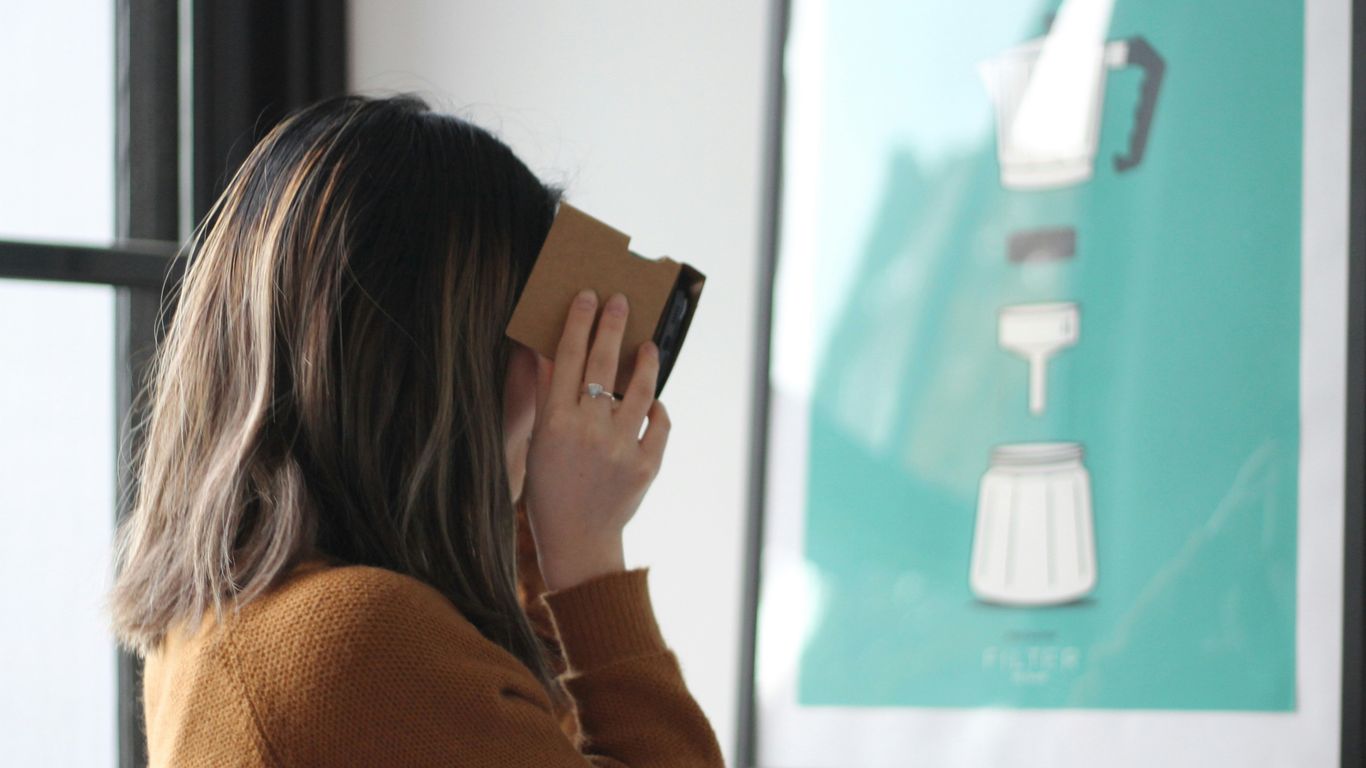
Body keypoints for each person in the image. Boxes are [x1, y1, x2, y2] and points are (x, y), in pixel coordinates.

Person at [106, 93, 724, 767]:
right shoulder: (358, 644)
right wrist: (587, 556)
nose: (555, 378)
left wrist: (526, 515)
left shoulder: (232, 622)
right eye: (535, 338)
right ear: (453, 365)